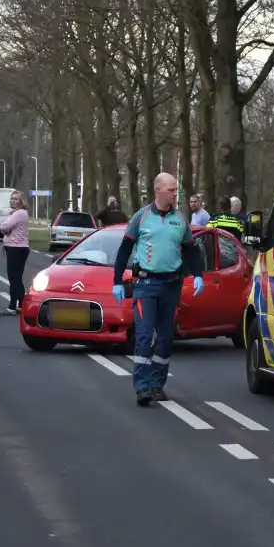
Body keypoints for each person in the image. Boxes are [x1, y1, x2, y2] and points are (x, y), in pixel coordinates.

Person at [112, 172, 204, 407]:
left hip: (171, 286)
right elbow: (124, 249)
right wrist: (116, 280)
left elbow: (192, 249)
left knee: (165, 339)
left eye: (176, 190)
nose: (176, 193)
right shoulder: (141, 217)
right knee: (143, 336)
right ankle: (142, 387)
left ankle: (157, 385)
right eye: (171, 189)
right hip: (145, 285)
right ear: (158, 190)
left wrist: (198, 276)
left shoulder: (180, 220)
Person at [0, 191, 30, 316]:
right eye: (12, 199)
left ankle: (12, 306)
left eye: (16, 199)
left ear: (22, 201)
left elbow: (4, 227)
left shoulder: (19, 214)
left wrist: (4, 228)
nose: (13, 201)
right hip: (18, 248)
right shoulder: (17, 213)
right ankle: (22, 305)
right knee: (17, 279)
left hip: (16, 248)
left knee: (14, 279)